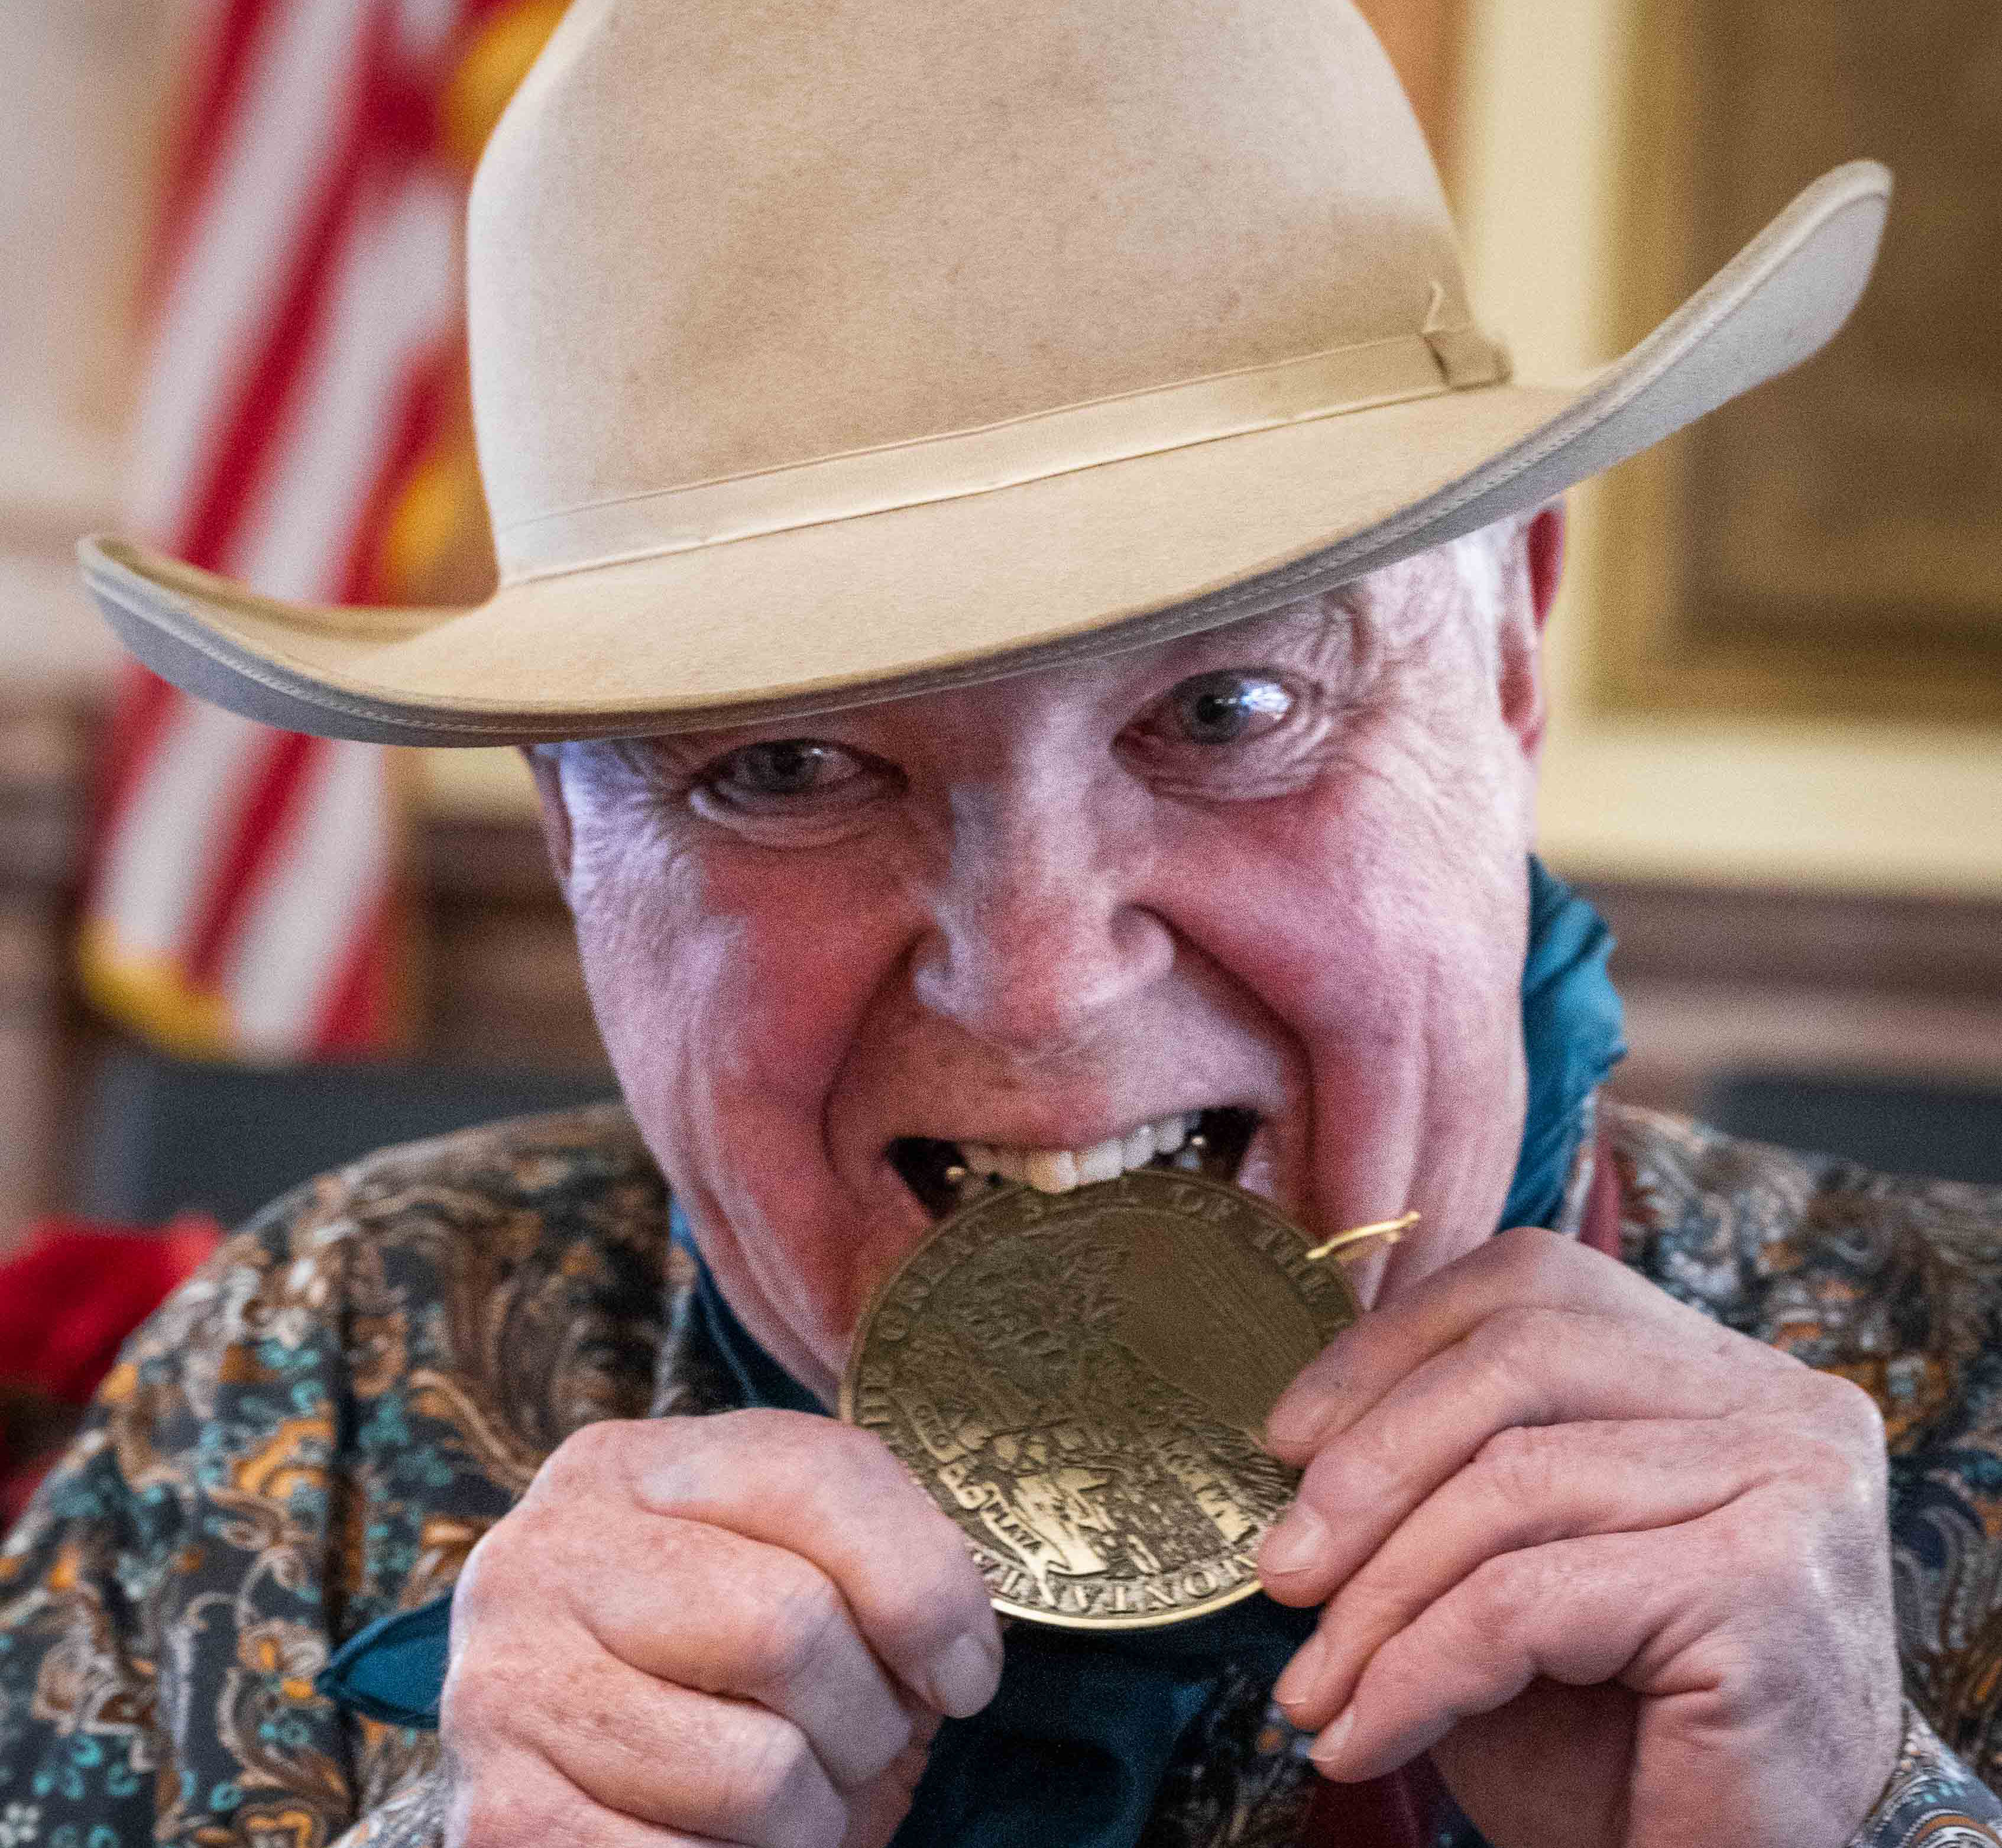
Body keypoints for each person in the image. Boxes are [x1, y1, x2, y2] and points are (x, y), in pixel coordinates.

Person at [7, 1, 2001, 1844]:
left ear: (1503, 661)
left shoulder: (1974, 1384)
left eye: (1227, 709)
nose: (1040, 988)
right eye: (780, 769)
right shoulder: (320, 1376)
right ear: (565, 829)